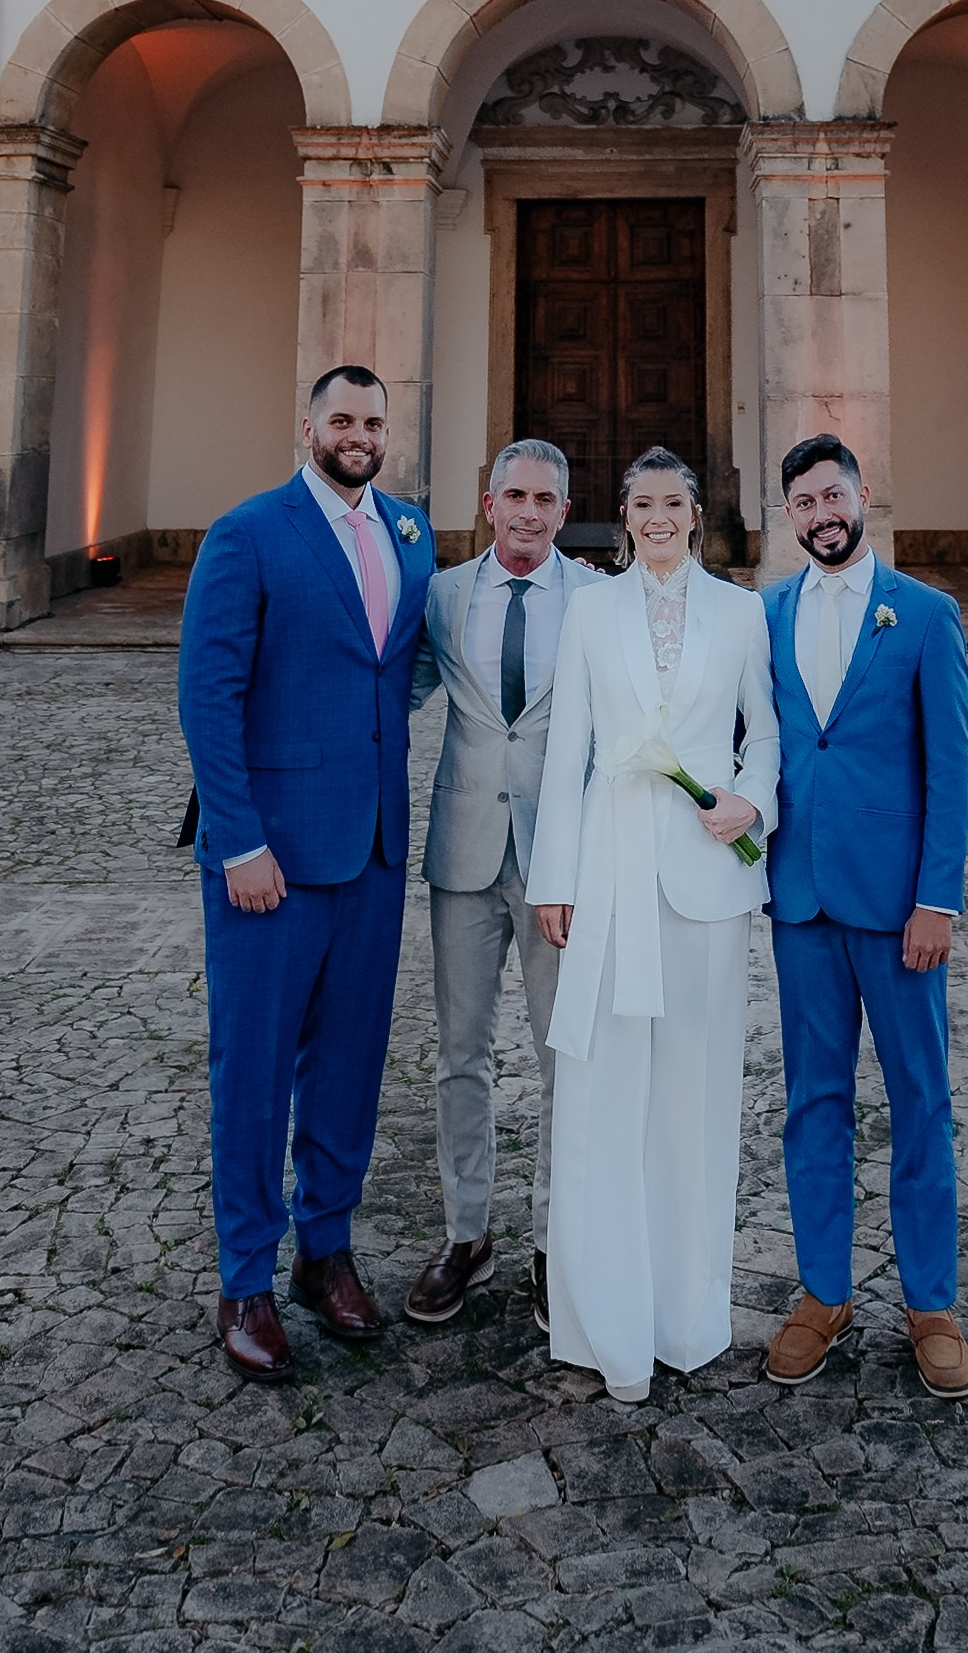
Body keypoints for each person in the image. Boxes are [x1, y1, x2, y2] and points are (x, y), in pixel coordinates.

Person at [177, 364, 435, 1384]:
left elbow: (401, 671)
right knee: (250, 1068)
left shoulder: (410, 532)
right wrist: (238, 840)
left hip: (370, 847)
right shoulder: (247, 532)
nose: (359, 433)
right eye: (342, 418)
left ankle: (324, 1252)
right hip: (268, 860)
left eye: (374, 420)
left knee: (348, 1064)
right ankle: (244, 1276)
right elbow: (209, 694)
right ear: (308, 425)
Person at [528, 447, 779, 1405]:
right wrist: (557, 877)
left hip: (706, 878)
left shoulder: (742, 612)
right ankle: (606, 1319)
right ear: (622, 516)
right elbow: (567, 752)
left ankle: (687, 1315)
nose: (659, 516)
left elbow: (769, 732)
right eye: (642, 503)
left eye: (674, 502)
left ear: (696, 514)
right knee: (605, 1091)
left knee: (696, 1095)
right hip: (611, 863)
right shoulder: (590, 610)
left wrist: (749, 804)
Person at [759, 434, 968, 1397]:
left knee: (919, 1100)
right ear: (789, 516)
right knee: (814, 1103)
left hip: (897, 912)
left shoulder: (924, 616)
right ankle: (822, 1293)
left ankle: (931, 1303)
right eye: (802, 502)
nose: (820, 514)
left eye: (831, 494)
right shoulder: (762, 616)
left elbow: (952, 767)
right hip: (799, 899)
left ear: (861, 495)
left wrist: (936, 899)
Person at [403, 438, 590, 1333]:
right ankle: (465, 1234)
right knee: (460, 1055)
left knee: (564, 1058)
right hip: (464, 851)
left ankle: (558, 1244)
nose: (526, 511)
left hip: (561, 863)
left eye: (543, 499)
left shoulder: (596, 599)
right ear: (488, 504)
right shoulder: (441, 594)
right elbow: (388, 691)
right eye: (512, 495)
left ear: (563, 510)